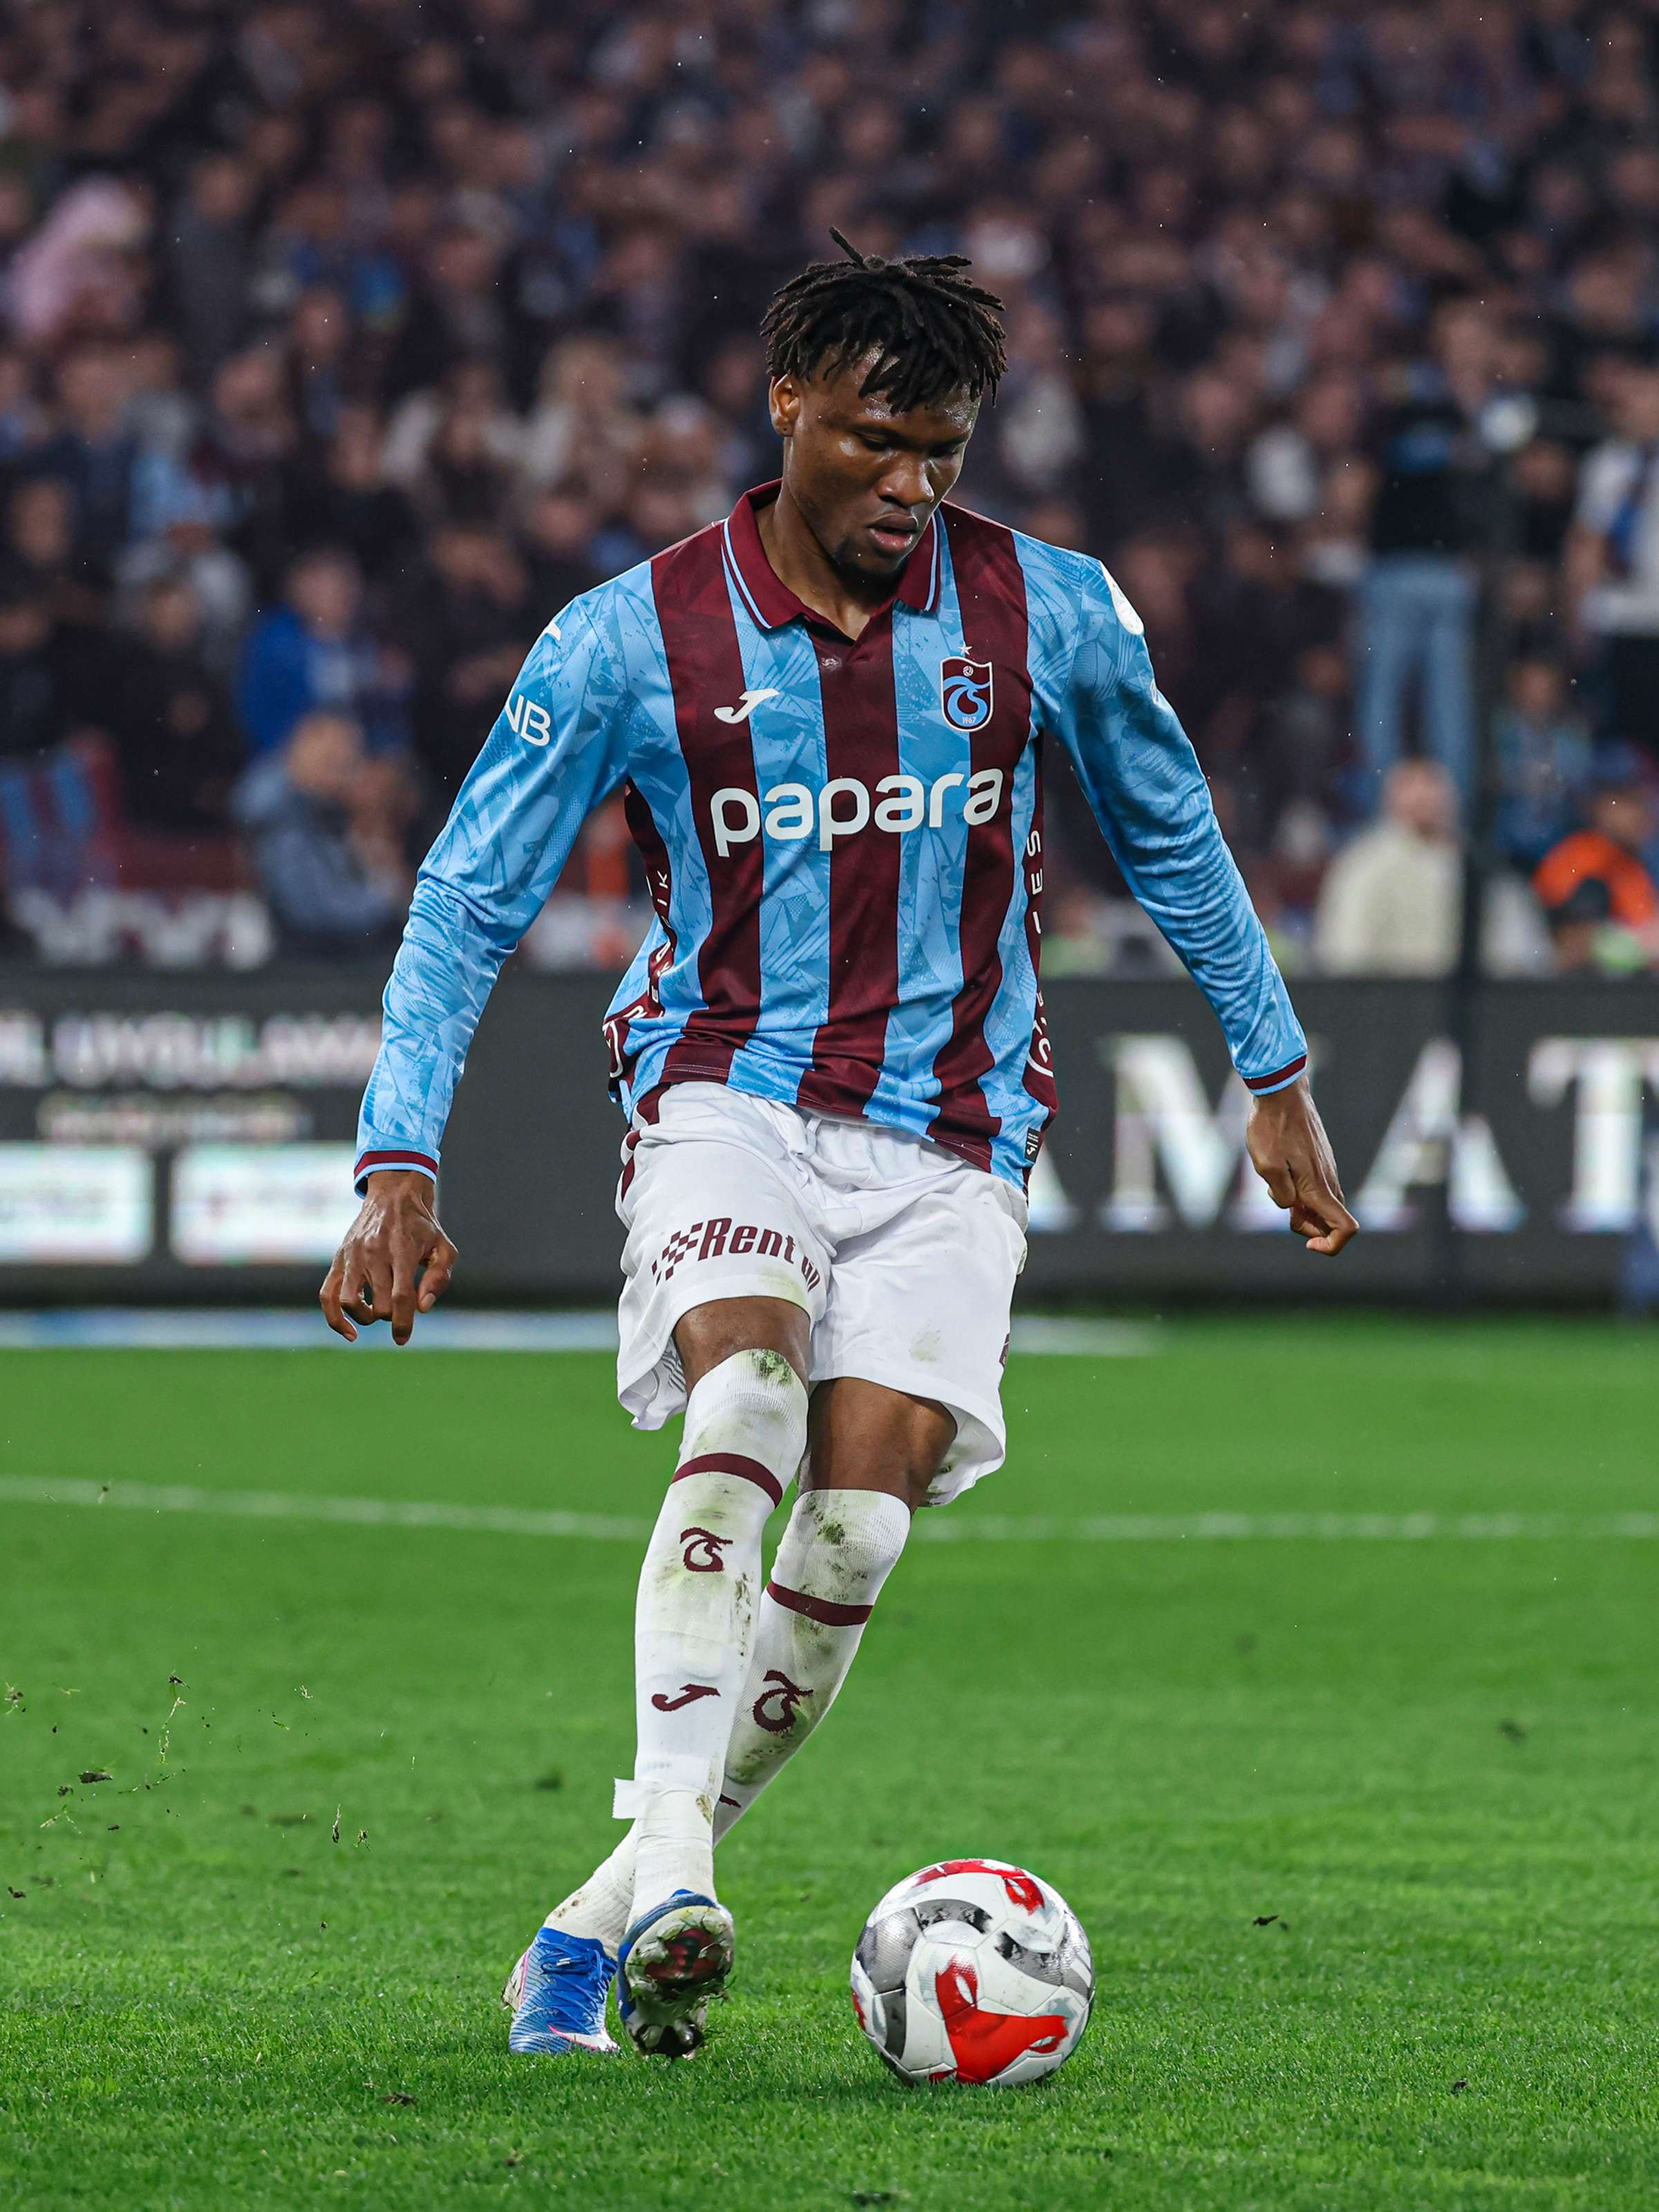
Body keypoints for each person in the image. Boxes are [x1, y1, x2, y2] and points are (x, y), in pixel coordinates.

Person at [321, 238, 1356, 2065]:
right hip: (728, 1089)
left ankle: (601, 1915)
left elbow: (1174, 830)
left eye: (943, 451)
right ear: (786, 403)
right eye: (878, 439)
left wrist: (1272, 1066)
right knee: (748, 1404)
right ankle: (677, 1869)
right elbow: (469, 897)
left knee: (862, 1520)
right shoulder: (629, 638)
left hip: (958, 1128)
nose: (911, 485)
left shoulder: (1047, 611)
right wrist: (398, 1157)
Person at [1313, 758, 1548, 977]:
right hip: (1389, 999)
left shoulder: (1478, 864)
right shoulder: (1363, 867)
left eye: (1433, 788)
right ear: (1391, 800)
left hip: (1467, 1000)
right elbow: (1345, 955)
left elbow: (1520, 952)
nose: (1426, 798)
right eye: (1414, 790)